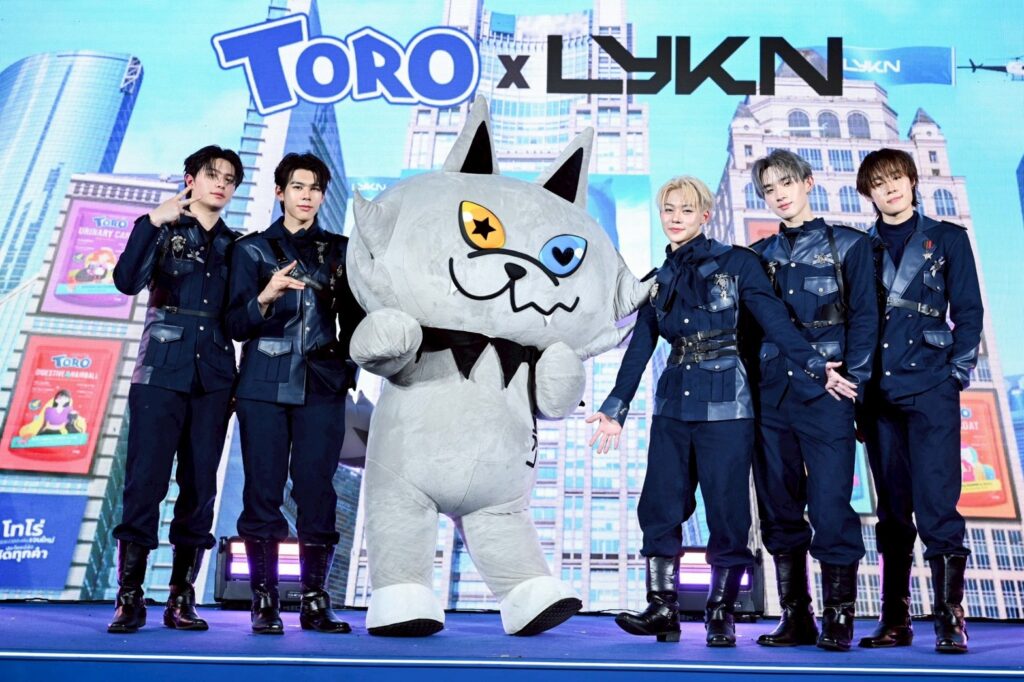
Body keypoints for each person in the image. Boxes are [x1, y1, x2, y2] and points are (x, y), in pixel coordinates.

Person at [588, 176, 856, 647]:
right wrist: (616, 407)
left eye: (686, 210)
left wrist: (816, 366)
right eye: (669, 210)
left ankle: (721, 611)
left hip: (728, 404)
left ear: (705, 216)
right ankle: (662, 608)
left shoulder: (738, 263)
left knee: (728, 511)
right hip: (673, 403)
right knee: (660, 505)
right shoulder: (659, 277)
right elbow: (641, 347)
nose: (676, 218)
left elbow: (775, 322)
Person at [226, 152, 364, 635]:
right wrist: (265, 297)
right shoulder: (250, 250)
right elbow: (234, 324)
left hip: (322, 384)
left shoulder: (342, 251)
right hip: (263, 382)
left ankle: (315, 600)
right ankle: (264, 599)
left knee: (316, 490)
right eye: (298, 187)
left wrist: (346, 367)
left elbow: (357, 322)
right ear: (280, 192)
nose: (307, 196)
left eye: (315, 188)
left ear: (323, 196)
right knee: (262, 490)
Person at [109, 145, 243, 633]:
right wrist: (151, 221)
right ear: (191, 179)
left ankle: (181, 597)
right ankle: (129, 596)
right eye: (212, 175)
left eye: (229, 179)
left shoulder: (238, 245)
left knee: (200, 487)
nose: (221, 184)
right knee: (145, 482)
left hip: (214, 378)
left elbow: (241, 319)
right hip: (159, 373)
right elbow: (126, 281)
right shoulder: (161, 229)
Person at [747, 150, 877, 651]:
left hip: (828, 391)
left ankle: (839, 616)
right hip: (771, 392)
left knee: (829, 503)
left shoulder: (850, 244)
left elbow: (866, 318)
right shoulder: (758, 255)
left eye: (786, 183)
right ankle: (795, 615)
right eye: (768, 189)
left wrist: (853, 382)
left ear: (808, 182)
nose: (779, 195)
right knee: (778, 506)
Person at [855, 148, 981, 653]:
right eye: (878, 183)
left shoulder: (948, 238)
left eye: (896, 178)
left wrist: (956, 375)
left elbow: (968, 312)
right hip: (878, 394)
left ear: (911, 180)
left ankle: (950, 618)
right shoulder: (859, 247)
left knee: (937, 506)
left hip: (931, 387)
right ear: (868, 193)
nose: (889, 189)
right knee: (892, 511)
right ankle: (895, 618)